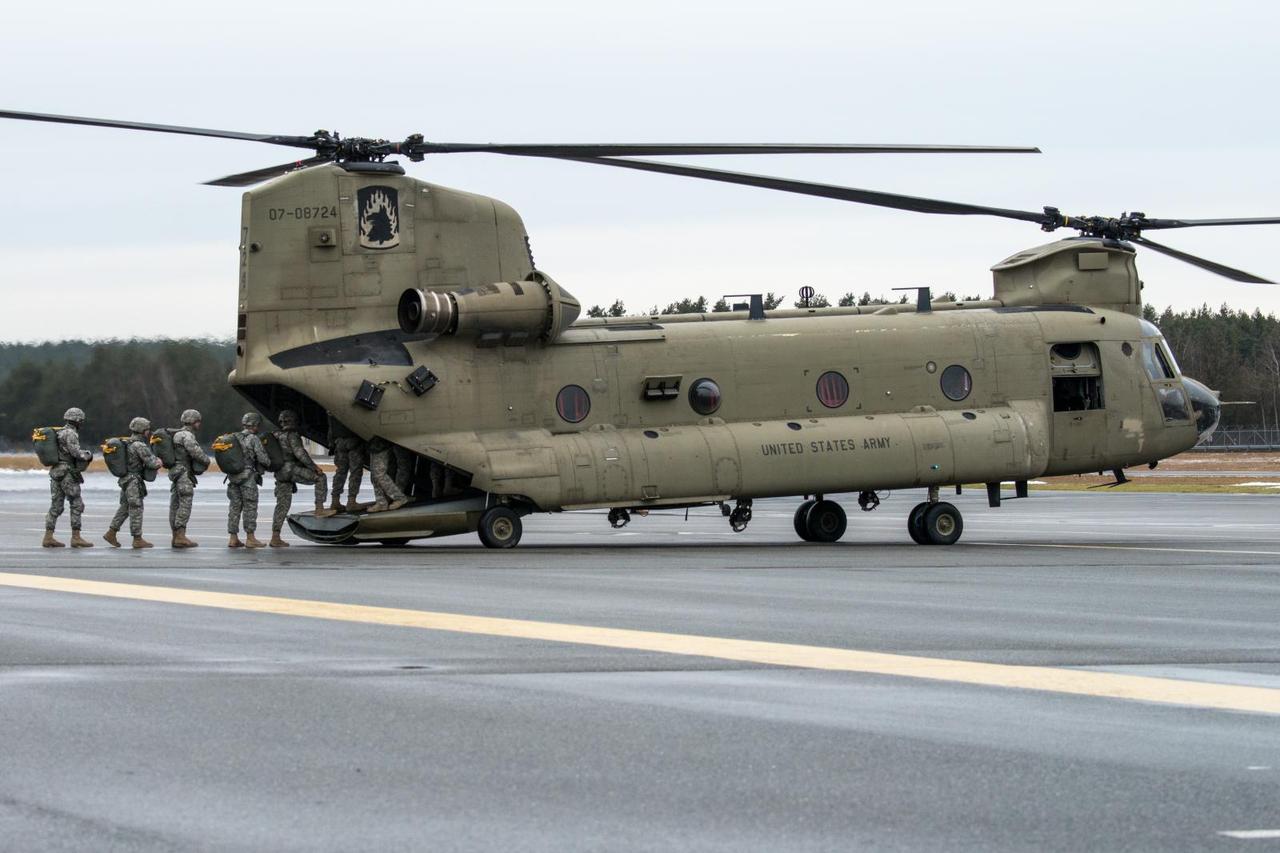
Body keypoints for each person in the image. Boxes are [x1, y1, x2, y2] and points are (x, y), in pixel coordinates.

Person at [270, 409, 335, 547]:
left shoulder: (275, 435)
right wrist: (314, 467)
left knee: (282, 505)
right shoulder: (292, 435)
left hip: (280, 473)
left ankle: (275, 537)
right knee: (320, 478)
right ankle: (319, 508)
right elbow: (300, 454)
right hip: (291, 469)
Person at [104, 417, 163, 549]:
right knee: (136, 508)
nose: (149, 432)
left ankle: (111, 533)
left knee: (125, 507)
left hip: (125, 479)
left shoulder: (127, 442)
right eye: (147, 430)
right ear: (143, 430)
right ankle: (137, 539)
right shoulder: (139, 445)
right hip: (133, 481)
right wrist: (159, 461)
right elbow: (152, 463)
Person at [43, 407, 94, 548]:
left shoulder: (59, 432)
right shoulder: (71, 433)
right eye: (81, 421)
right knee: (77, 504)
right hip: (67, 473)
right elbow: (75, 452)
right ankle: (76, 537)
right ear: (77, 420)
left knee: (56, 506)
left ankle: (48, 537)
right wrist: (88, 455)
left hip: (55, 472)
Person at [227, 412, 271, 549]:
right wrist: (269, 462)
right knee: (250, 507)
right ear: (255, 425)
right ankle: (250, 538)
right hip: (247, 478)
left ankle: (233, 538)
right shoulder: (253, 438)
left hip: (233, 478)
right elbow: (264, 459)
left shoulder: (233, 437)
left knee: (235, 507)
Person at [168, 408, 210, 549]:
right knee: (185, 502)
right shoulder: (187, 435)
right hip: (184, 472)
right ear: (193, 422)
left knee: (175, 504)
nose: (199, 424)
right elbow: (195, 452)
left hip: (175, 472)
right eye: (198, 421)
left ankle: (175, 536)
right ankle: (180, 536)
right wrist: (207, 461)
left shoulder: (176, 434)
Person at [327, 414, 366, 512]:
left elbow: (331, 429)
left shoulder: (332, 410)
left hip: (339, 442)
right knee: (355, 472)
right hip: (353, 441)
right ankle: (351, 502)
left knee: (340, 472)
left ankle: (335, 501)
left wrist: (331, 444)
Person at [367, 436, 409, 513]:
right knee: (374, 475)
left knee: (379, 474)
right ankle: (381, 502)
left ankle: (399, 498)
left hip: (381, 443)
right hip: (373, 444)